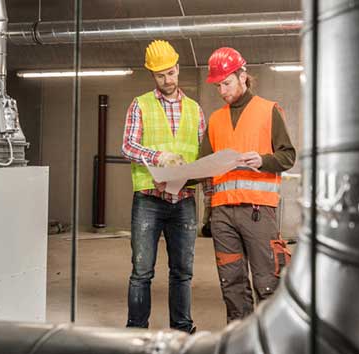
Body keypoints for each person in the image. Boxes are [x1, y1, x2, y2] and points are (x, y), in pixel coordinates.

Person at [201, 47, 296, 323]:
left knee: (268, 282)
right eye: (218, 85)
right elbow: (204, 162)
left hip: (258, 212)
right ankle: (241, 342)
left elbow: (288, 156)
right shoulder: (216, 119)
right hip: (222, 216)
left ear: (243, 76)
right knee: (232, 284)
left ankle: (273, 340)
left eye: (227, 83)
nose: (222, 90)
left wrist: (263, 160)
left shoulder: (269, 111)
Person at [121, 40, 205, 333]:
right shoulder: (140, 104)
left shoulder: (195, 109)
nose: (167, 80)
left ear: (178, 69)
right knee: (141, 272)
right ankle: (135, 330)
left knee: (182, 272)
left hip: (183, 200)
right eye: (160, 75)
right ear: (152, 76)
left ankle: (182, 328)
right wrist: (159, 156)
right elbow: (127, 146)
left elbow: (203, 154)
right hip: (148, 200)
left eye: (171, 73)